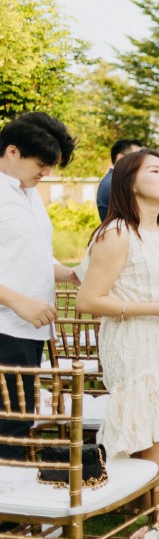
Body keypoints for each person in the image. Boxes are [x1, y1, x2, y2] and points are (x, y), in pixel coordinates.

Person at [76, 150, 159, 497]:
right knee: (158, 437)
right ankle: (155, 526)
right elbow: (88, 300)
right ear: (130, 183)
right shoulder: (117, 232)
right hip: (134, 342)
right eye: (155, 171)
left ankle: (151, 523)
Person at [0, 113, 79, 456]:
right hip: (5, 325)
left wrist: (70, 273)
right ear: (12, 151)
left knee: (20, 420)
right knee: (8, 424)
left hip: (31, 329)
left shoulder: (30, 194)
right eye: (42, 163)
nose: (46, 172)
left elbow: (35, 255)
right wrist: (17, 301)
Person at [97, 138, 143, 220]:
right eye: (137, 156)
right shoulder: (113, 182)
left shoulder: (114, 180)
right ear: (121, 158)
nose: (143, 161)